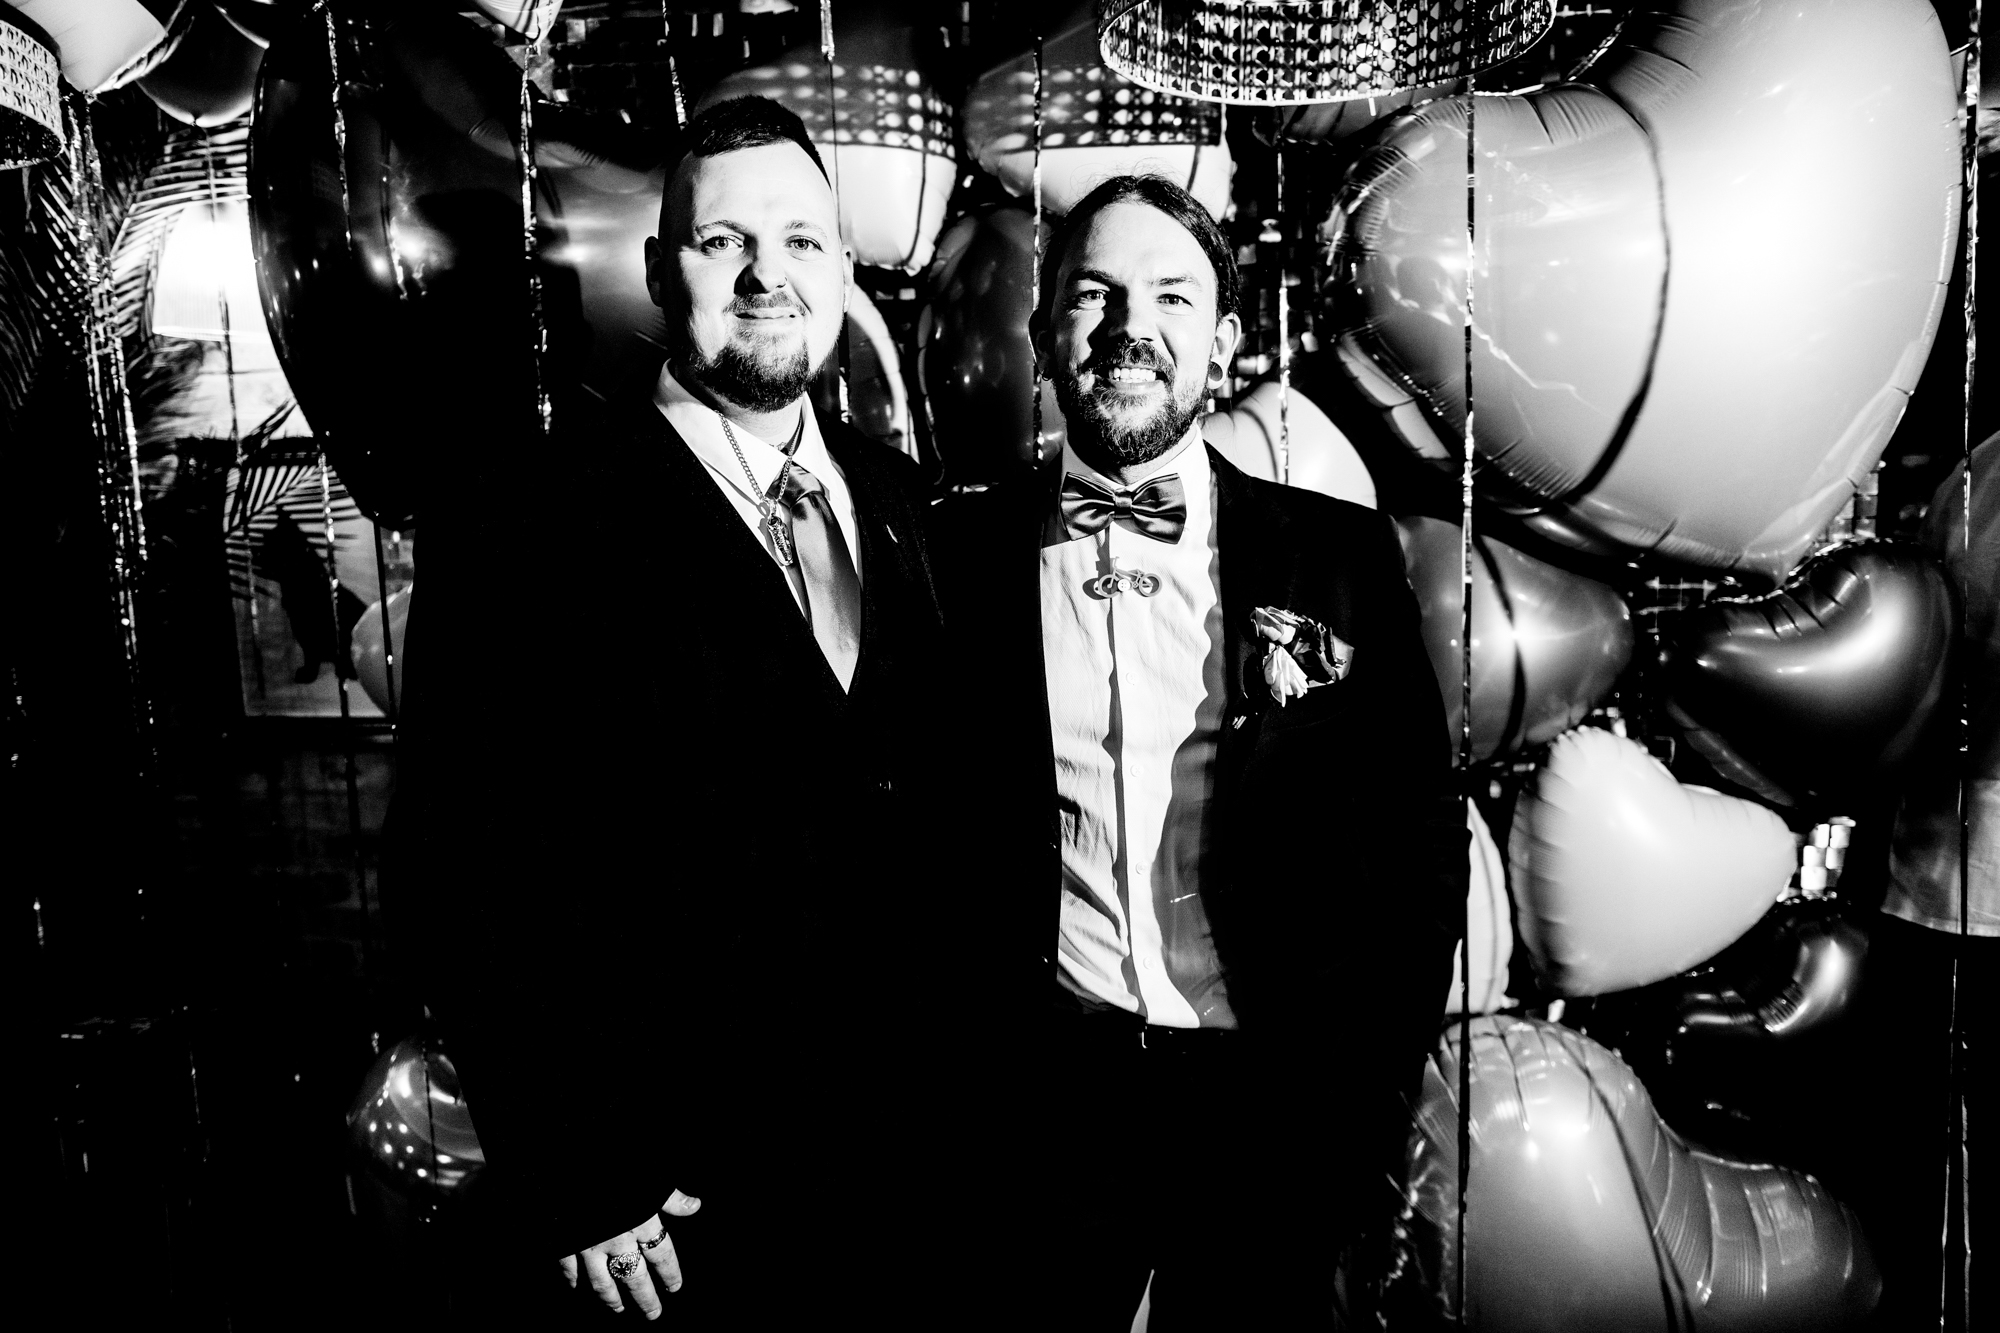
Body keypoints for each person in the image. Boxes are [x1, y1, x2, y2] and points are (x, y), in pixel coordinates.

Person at [391, 96, 973, 1326]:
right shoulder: (525, 522)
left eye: (803, 241)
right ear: (661, 273)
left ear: (843, 267)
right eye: (725, 243)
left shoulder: (906, 506)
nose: (770, 274)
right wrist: (580, 1173)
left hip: (914, 1182)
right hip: (676, 1216)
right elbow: (459, 867)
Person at [930, 174, 1465, 1329]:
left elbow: (1419, 841)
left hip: (1275, 1102)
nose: (1131, 328)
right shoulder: (944, 559)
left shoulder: (1337, 553)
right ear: (1044, 330)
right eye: (1094, 294)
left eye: (1170, 297)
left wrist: (1366, 1106)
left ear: (1220, 337)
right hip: (1041, 1104)